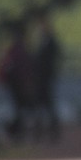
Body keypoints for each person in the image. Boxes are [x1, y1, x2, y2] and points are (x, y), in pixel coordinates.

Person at [27, 10, 63, 142]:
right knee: (40, 106)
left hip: (46, 78)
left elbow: (55, 56)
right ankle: (40, 132)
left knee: (47, 105)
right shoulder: (41, 40)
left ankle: (51, 132)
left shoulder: (51, 41)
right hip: (40, 78)